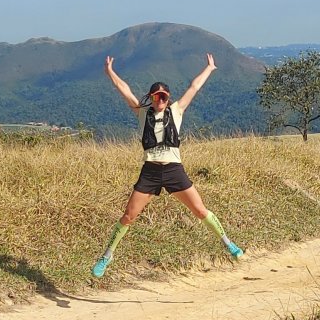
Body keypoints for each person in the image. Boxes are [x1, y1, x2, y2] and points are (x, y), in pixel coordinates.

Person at [91, 52, 245, 277]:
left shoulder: (177, 110)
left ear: (168, 97)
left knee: (200, 210)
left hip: (174, 170)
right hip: (150, 171)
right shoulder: (142, 113)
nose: (160, 100)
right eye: (156, 97)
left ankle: (228, 243)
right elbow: (124, 90)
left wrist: (209, 68)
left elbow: (194, 88)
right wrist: (110, 72)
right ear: (151, 97)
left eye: (163, 97)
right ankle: (107, 256)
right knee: (128, 216)